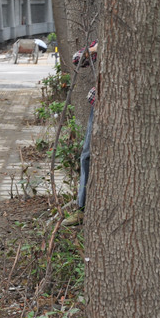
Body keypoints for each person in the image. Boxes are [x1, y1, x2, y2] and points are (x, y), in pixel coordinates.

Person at [64, 41, 98, 227]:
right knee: (87, 156)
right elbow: (77, 59)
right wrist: (94, 49)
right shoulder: (102, 41)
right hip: (100, 106)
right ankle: (82, 208)